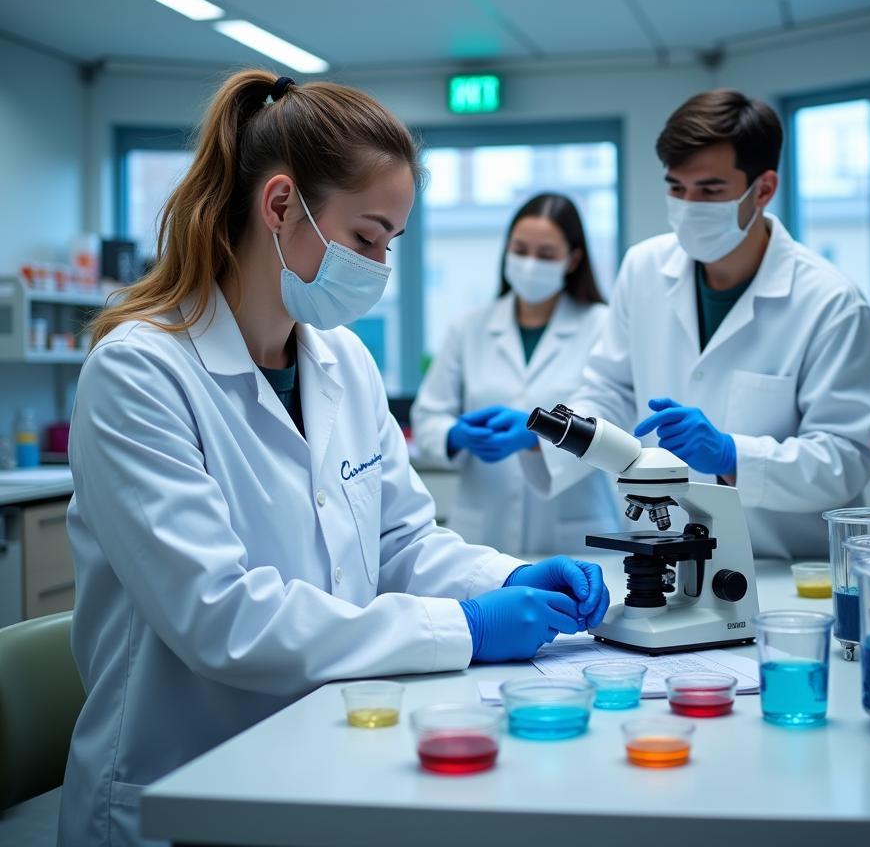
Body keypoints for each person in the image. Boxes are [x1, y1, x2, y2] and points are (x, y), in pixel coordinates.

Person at [60, 71, 609, 847]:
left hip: (325, 754)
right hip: (182, 783)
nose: (381, 266)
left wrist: (504, 578)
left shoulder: (342, 363)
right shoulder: (139, 373)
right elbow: (222, 617)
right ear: (281, 205)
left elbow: (402, 541)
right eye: (365, 236)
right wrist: (467, 626)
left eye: (391, 242)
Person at [519, 89, 870, 559]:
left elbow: (844, 459)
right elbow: (609, 389)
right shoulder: (644, 268)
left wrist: (733, 455)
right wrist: (559, 433)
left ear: (764, 189)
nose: (689, 205)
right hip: (664, 552)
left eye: (710, 190)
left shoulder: (831, 302)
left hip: (785, 567)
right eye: (676, 188)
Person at [412, 194, 618, 553]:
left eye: (546, 254)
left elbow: (612, 420)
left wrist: (538, 437)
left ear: (573, 259)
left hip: (575, 529)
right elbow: (429, 415)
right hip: (483, 528)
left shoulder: (603, 326)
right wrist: (454, 435)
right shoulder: (469, 328)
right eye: (520, 249)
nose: (530, 263)